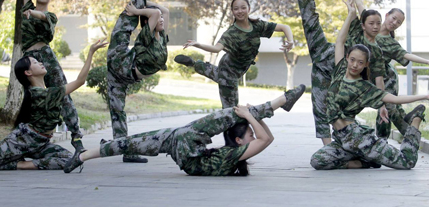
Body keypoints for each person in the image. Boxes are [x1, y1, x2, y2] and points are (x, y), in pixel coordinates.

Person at [310, 0, 429, 170]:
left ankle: (415, 122)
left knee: (406, 162)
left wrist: (425, 96)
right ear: (346, 59)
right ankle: (365, 161)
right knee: (317, 161)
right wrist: (351, 14)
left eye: (360, 63)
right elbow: (339, 41)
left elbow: (394, 99)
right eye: (352, 60)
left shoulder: (365, 88)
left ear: (366, 65)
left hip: (360, 139)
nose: (354, 65)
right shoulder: (338, 72)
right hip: (341, 140)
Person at [63, 85, 306, 175]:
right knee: (129, 143)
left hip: (189, 151)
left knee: (228, 114)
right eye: (249, 133)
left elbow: (266, 138)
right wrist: (252, 117)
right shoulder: (236, 154)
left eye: (250, 135)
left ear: (239, 141)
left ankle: (280, 101)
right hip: (185, 148)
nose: (253, 135)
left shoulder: (235, 154)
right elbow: (265, 137)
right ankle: (81, 155)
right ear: (239, 139)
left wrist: (250, 116)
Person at [0, 39, 107, 171]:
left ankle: (14, 163)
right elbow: (80, 81)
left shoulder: (42, 92)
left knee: (70, 159)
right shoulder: (41, 94)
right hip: (22, 141)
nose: (40, 63)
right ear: (28, 72)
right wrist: (91, 53)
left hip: (41, 143)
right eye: (35, 63)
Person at [342, 0, 429, 138]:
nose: (394, 23)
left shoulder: (389, 42)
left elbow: (405, 55)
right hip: (363, 73)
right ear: (387, 15)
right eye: (394, 18)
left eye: (399, 22)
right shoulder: (368, 25)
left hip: (385, 78)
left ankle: (386, 141)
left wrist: (426, 61)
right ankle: (409, 123)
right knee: (386, 107)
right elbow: (356, 3)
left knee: (387, 107)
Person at [17, 0, 84, 152]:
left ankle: (76, 137)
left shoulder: (51, 16)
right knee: (32, 97)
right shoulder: (26, 6)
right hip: (29, 58)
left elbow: (44, 17)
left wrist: (33, 14)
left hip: (45, 57)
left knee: (62, 93)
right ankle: (30, 138)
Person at [174, 0, 294, 108]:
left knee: (217, 74)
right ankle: (195, 64)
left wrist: (291, 41)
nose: (240, 11)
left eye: (243, 8)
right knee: (230, 110)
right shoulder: (231, 33)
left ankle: (194, 64)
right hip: (229, 71)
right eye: (236, 9)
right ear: (232, 11)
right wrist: (198, 44)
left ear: (249, 8)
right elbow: (216, 49)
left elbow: (285, 27)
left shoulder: (257, 25)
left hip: (236, 70)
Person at [106, 0, 170, 163]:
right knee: (125, 22)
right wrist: (137, 11)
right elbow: (156, 13)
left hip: (126, 75)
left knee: (117, 110)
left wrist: (145, 5)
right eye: (157, 19)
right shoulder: (147, 36)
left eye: (161, 21)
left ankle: (122, 149)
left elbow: (164, 11)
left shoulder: (162, 38)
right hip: (120, 60)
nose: (161, 20)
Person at [295, 0, 338, 145]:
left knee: (327, 105)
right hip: (326, 54)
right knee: (310, 19)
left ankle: (336, 146)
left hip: (335, 68)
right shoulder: (367, 26)